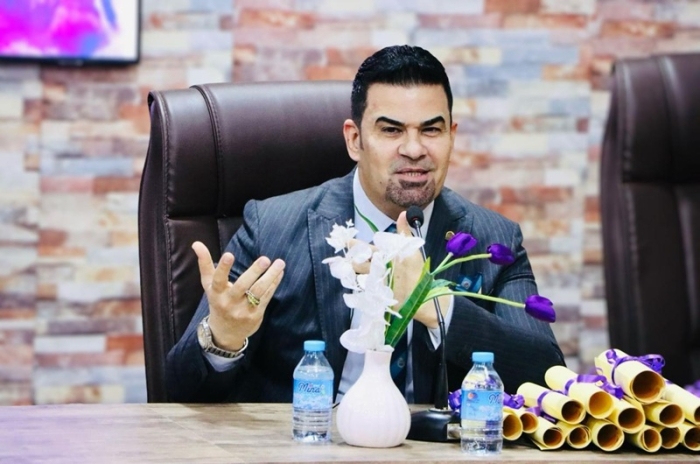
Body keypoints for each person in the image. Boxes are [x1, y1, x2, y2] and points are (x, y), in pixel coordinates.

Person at [166, 45, 565, 403]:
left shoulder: (491, 239)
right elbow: (177, 390)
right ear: (355, 139)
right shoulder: (271, 227)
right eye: (391, 130)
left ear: (452, 136)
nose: (414, 149)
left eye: (431, 129)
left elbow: (548, 378)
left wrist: (435, 304)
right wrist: (223, 340)